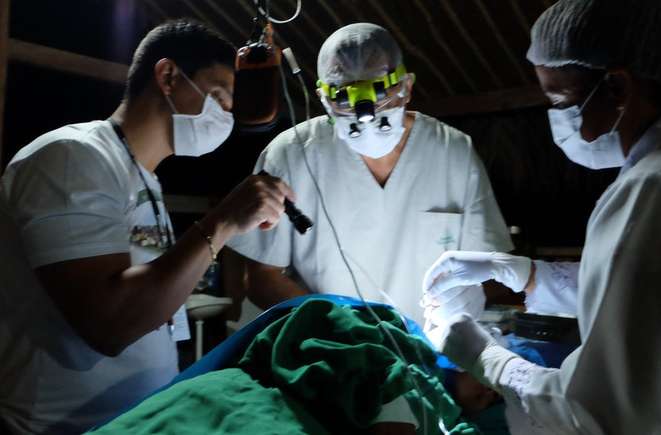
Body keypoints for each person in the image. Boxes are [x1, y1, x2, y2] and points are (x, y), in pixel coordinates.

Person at [423, 0, 661, 433]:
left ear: (617, 88)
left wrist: (482, 355)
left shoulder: (655, 190)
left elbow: (598, 413)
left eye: (560, 100)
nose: (560, 122)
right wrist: (527, 276)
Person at [0, 20, 294, 434]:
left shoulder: (143, 179)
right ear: (169, 76)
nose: (226, 116)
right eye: (218, 96)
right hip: (64, 426)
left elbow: (152, 296)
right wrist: (223, 221)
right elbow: (110, 324)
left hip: (133, 421)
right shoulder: (72, 157)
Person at [227, 23, 513, 325]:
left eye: (381, 94)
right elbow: (261, 277)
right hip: (327, 342)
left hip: (427, 342)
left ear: (406, 87)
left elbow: (488, 267)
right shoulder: (291, 154)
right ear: (324, 98)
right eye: (344, 100)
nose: (366, 115)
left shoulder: (452, 152)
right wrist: (341, 329)